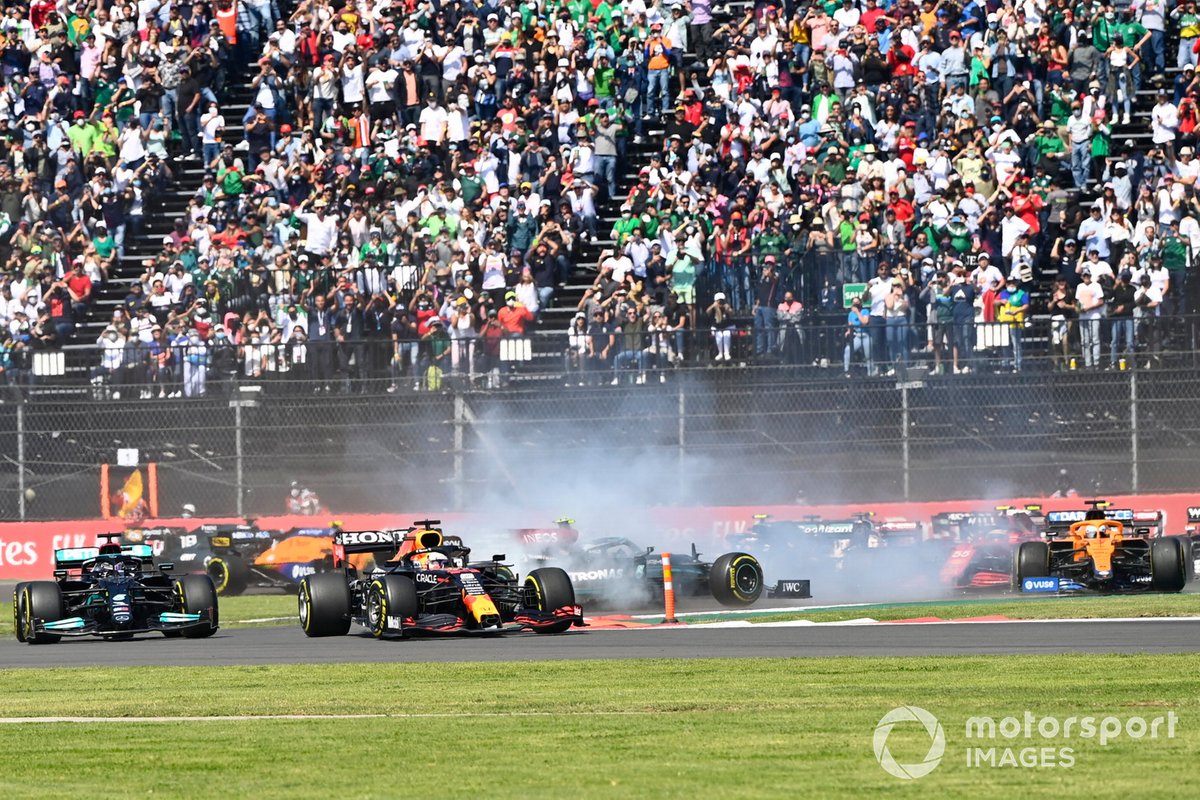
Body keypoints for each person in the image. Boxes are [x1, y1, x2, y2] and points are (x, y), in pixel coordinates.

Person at [843, 297, 873, 377]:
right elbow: (850, 325)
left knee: (868, 355)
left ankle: (871, 373)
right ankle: (847, 371)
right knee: (847, 350)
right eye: (854, 303)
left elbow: (865, 322)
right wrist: (848, 331)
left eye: (857, 302)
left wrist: (857, 313)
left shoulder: (865, 311)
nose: (856, 304)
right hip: (858, 336)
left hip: (866, 335)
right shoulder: (850, 314)